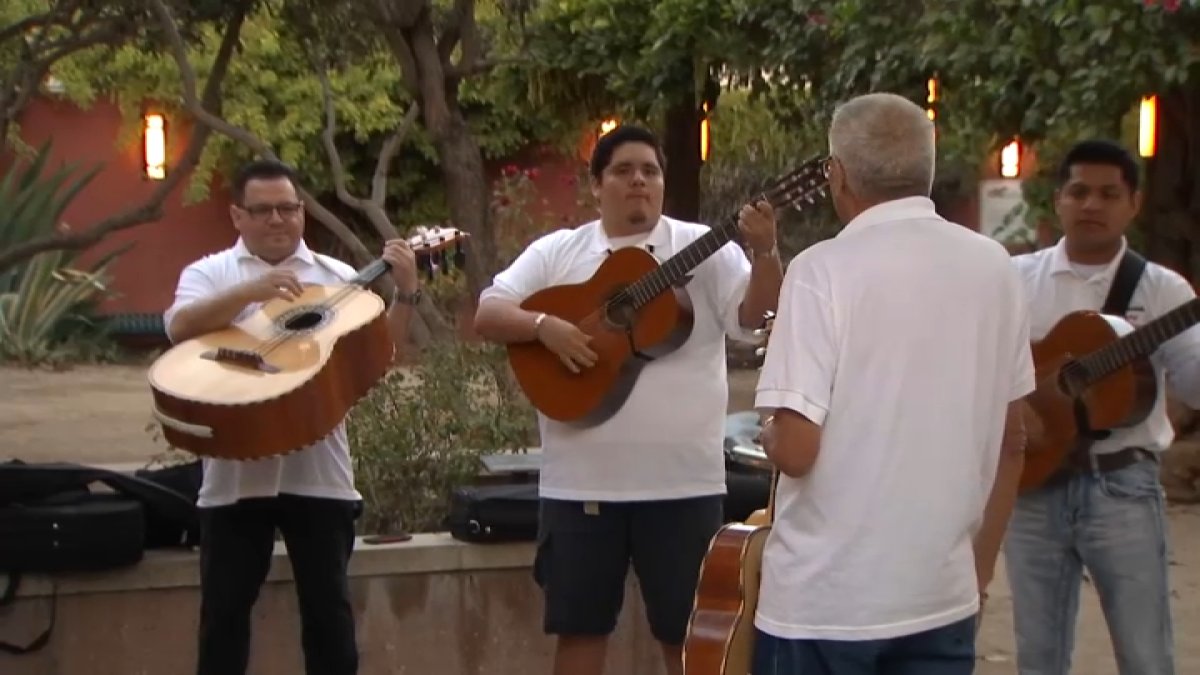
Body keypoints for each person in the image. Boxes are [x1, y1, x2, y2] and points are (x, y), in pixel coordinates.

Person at [472, 124, 783, 675]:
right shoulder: (557, 252)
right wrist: (545, 327)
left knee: (691, 641)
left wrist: (765, 253)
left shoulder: (701, 248)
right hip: (580, 486)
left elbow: (752, 319)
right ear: (597, 185)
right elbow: (489, 312)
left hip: (684, 486)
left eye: (650, 171)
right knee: (580, 633)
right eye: (623, 170)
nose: (639, 180)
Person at [751, 92, 1034, 674]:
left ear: (837, 174)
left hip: (827, 604)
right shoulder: (995, 267)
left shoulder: (819, 271)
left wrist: (769, 432)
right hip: (941, 593)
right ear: (927, 168)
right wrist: (975, 575)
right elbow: (1014, 440)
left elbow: (799, 450)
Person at [163, 159, 422, 675]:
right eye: (262, 210)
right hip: (234, 476)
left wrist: (407, 292)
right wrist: (248, 294)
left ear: (302, 212)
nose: (277, 219)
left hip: (320, 474)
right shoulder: (210, 272)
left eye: (288, 208)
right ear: (238, 216)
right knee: (223, 619)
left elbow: (376, 359)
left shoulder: (339, 278)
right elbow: (179, 329)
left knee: (329, 619)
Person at [1006, 139, 1200, 675]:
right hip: (1033, 485)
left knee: (1144, 654)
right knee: (1037, 656)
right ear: (1058, 200)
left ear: (1133, 204)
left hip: (1123, 486)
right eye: (1080, 192)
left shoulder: (1163, 290)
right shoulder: (1016, 280)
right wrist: (1010, 407)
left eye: (1109, 194)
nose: (1092, 205)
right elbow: (976, 365)